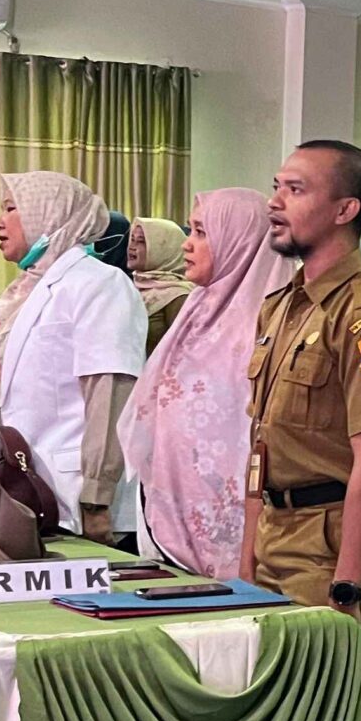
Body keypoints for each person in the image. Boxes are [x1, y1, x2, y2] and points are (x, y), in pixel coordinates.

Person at [245, 142, 361, 645]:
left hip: (329, 541)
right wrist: (246, 561)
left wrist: (347, 587)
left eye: (295, 190)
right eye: (277, 186)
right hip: (275, 528)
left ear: (345, 210)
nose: (275, 202)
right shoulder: (283, 307)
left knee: (325, 688)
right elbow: (261, 444)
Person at [118, 188, 289, 576]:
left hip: (233, 517)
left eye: (201, 232)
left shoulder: (266, 322)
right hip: (169, 506)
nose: (187, 243)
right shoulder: (198, 306)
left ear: (237, 242)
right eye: (190, 230)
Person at [0, 170, 146, 538]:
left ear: (49, 214)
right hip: (25, 486)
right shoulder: (26, 289)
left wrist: (96, 496)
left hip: (75, 497)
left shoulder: (101, 284)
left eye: (11, 209)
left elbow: (110, 394)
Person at [126, 217, 193, 349]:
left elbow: (184, 348)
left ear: (165, 249)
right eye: (132, 239)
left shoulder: (178, 296)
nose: (132, 247)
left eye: (141, 242)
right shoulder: (130, 286)